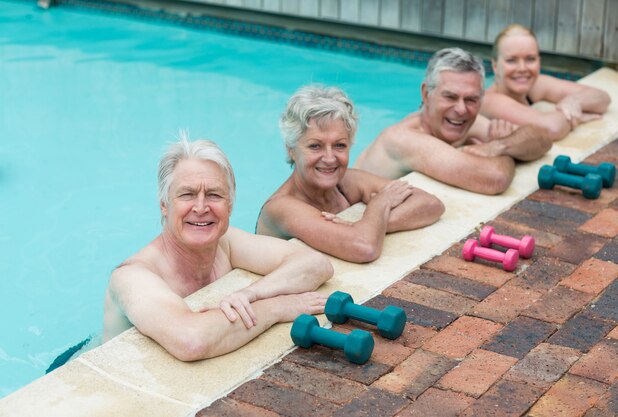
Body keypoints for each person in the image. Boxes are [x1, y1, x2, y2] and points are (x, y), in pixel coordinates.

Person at [103, 135, 333, 361]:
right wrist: (277, 308)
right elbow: (191, 341)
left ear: (230, 205)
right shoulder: (132, 276)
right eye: (187, 194)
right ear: (164, 204)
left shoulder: (226, 243)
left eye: (214, 195)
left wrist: (250, 294)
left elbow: (315, 264)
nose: (201, 207)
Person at [256, 85, 445, 264]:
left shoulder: (347, 182)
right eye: (315, 146)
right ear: (291, 150)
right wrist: (380, 204)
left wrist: (368, 225)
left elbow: (431, 204)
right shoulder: (281, 208)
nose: (330, 158)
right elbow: (364, 247)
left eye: (339, 145)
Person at [354, 47, 552, 195]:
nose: (461, 109)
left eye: (471, 99)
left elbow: (542, 138)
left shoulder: (466, 123)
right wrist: (504, 147)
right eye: (450, 97)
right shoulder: (405, 139)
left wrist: (499, 146)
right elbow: (494, 179)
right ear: (426, 94)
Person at [481, 24, 611, 141]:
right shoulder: (490, 100)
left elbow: (602, 98)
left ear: (539, 61)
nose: (522, 68)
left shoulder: (534, 85)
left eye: (530, 59)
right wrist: (576, 116)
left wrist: (574, 101)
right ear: (495, 66)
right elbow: (551, 128)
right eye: (511, 60)